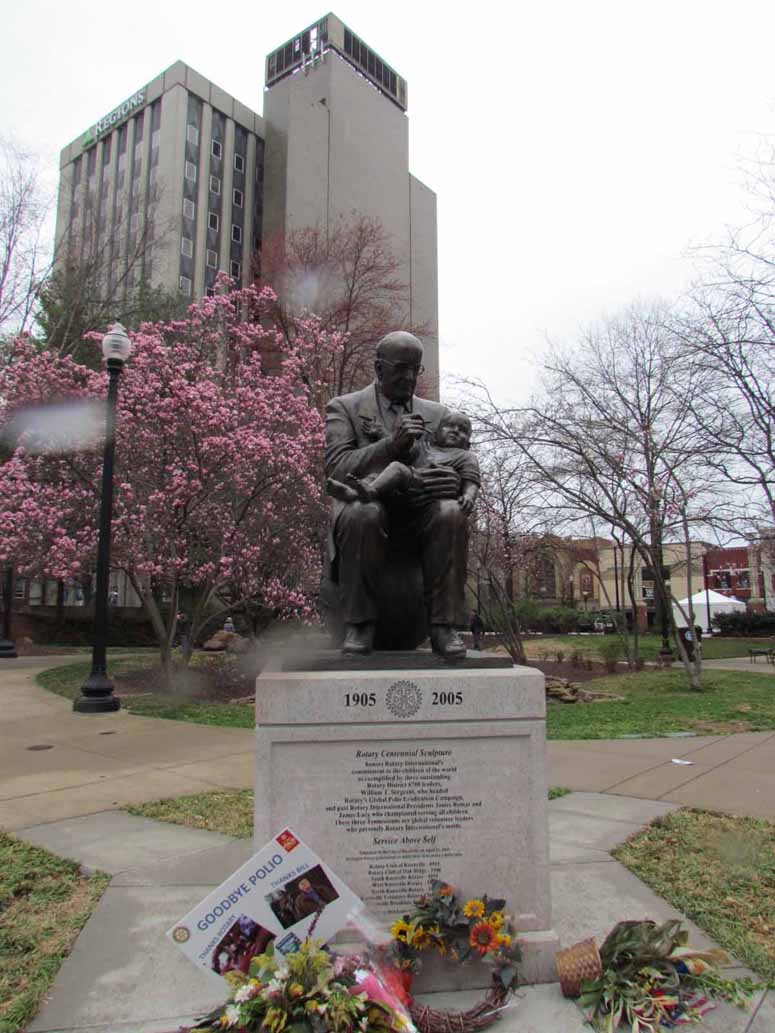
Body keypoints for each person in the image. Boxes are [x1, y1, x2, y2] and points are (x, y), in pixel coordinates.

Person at [325, 332, 470, 659]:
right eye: (400, 368)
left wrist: (450, 482)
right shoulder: (345, 408)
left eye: (414, 369)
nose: (408, 377)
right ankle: (360, 624)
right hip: (369, 510)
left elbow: (454, 462)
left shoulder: (437, 414)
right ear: (378, 368)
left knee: (450, 511)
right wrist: (391, 445)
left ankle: (444, 627)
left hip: (419, 513)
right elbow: (336, 469)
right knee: (364, 512)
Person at [327, 410, 480, 514]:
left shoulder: (466, 457)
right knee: (376, 476)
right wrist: (381, 432)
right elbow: (406, 448)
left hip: (425, 486)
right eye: (449, 426)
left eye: (462, 430)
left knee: (396, 468)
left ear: (468, 444)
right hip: (408, 483)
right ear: (436, 433)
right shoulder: (426, 444)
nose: (455, 430)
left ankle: (371, 491)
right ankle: (353, 493)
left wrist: (468, 496)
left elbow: (471, 482)